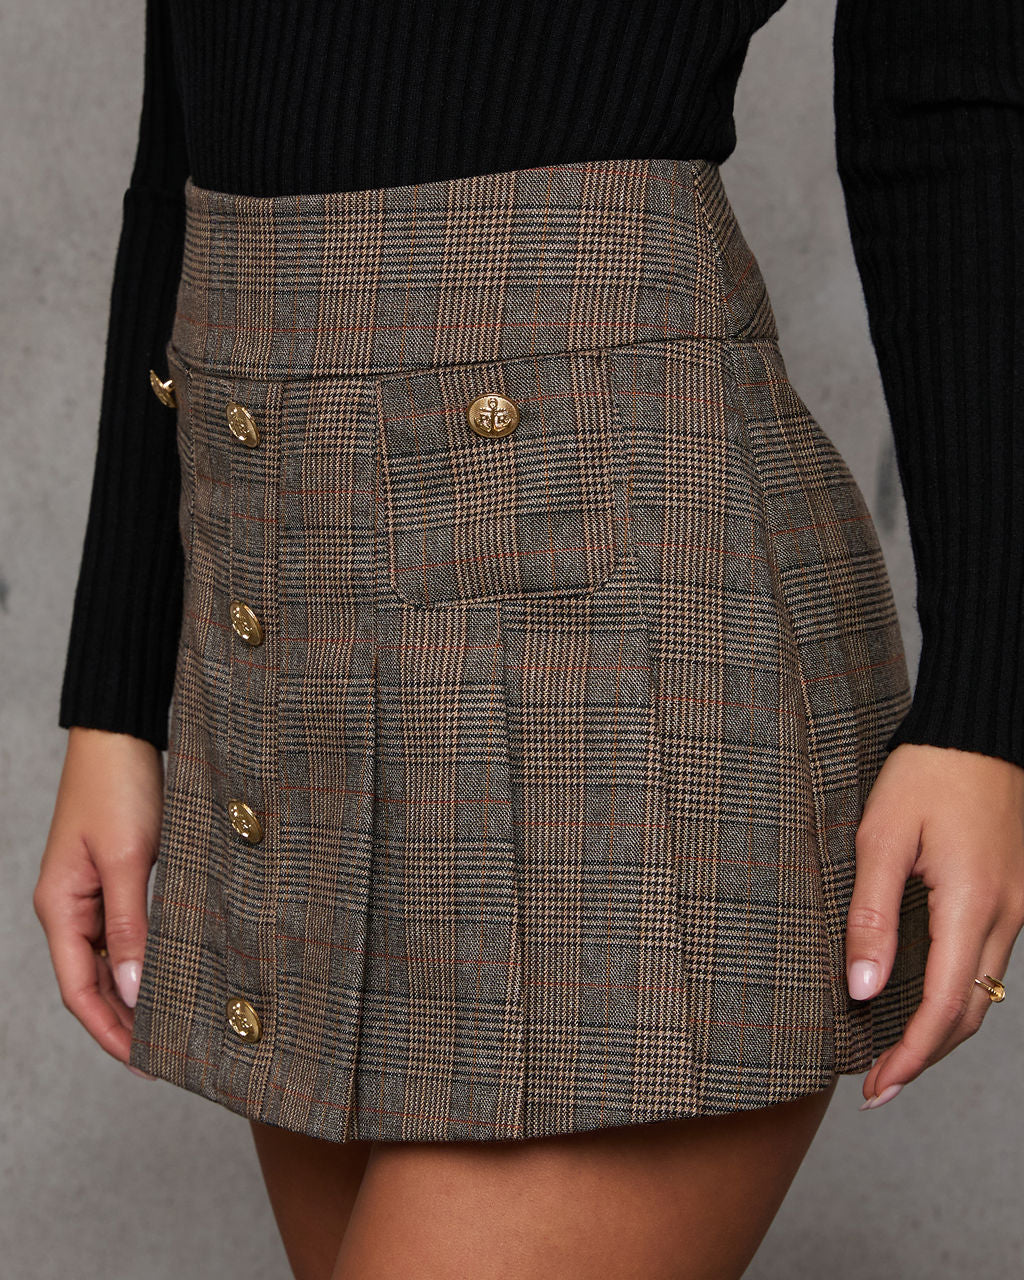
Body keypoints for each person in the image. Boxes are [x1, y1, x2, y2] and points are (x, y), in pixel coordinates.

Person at [35, 2, 1023, 1277]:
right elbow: (178, 139)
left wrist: (986, 704)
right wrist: (116, 697)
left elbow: (946, 115)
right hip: (278, 577)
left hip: (620, 595)